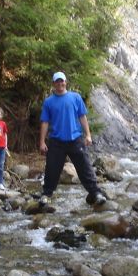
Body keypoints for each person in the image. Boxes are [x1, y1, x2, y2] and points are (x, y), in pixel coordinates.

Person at [39, 71, 106, 206]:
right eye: (57, 81)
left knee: (85, 167)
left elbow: (82, 116)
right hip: (56, 141)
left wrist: (88, 135)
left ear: (66, 82)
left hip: (75, 139)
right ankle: (46, 195)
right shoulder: (48, 102)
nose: (60, 84)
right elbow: (45, 122)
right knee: (52, 169)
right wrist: (41, 141)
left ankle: (96, 193)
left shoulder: (75, 97)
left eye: (62, 81)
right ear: (53, 84)